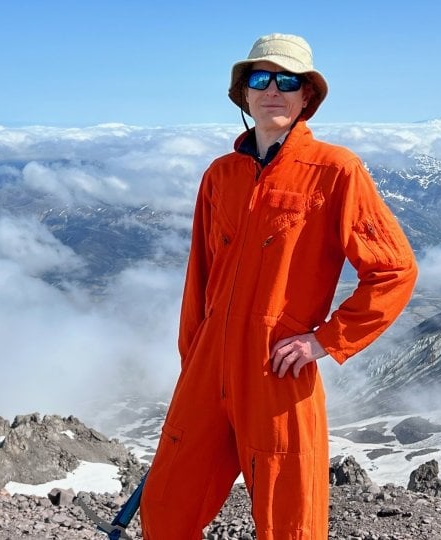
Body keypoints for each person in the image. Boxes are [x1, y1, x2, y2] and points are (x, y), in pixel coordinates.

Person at [139, 33, 418, 539]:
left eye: (287, 80)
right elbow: (198, 279)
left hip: (276, 370)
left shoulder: (336, 171)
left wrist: (324, 341)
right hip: (206, 369)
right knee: (165, 508)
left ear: (306, 95)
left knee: (290, 523)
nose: (273, 89)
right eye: (259, 78)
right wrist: (193, 360)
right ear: (243, 93)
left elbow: (394, 270)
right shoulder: (220, 176)